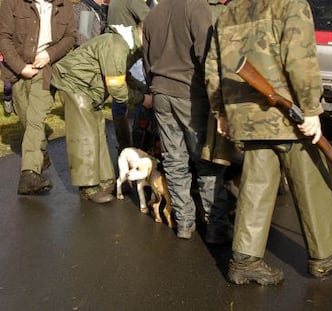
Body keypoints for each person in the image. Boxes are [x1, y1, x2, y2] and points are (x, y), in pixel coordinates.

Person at [205, 0, 332, 285]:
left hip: (246, 117)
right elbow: (301, 60)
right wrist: (311, 109)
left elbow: (213, 67)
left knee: (256, 185)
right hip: (287, 118)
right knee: (312, 180)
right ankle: (325, 257)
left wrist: (220, 113)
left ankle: (245, 262)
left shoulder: (227, 12)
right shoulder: (290, 4)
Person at [142, 0, 232, 243]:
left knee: (174, 160)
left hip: (161, 93)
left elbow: (147, 62)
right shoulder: (197, 8)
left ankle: (184, 223)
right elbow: (208, 55)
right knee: (206, 161)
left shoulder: (153, 14)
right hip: (191, 95)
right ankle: (216, 227)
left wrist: (153, 88)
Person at [51, 24, 151, 204]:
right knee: (85, 136)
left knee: (97, 132)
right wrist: (144, 99)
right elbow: (117, 89)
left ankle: (105, 181)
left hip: (89, 89)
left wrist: (145, 90)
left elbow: (124, 76)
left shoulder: (126, 46)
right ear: (143, 33)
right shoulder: (117, 45)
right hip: (75, 85)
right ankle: (88, 187)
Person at [0, 0, 77, 195]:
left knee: (34, 119)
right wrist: (21, 68)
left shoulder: (65, 5)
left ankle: (29, 175)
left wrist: (49, 55)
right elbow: (3, 37)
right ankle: (40, 153)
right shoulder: (12, 3)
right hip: (17, 69)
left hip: (46, 69)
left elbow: (70, 37)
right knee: (26, 118)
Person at [107, 0, 150, 152]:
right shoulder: (134, 1)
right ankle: (139, 145)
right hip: (133, 50)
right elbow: (152, 20)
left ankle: (124, 144)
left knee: (119, 102)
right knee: (142, 99)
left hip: (118, 51)